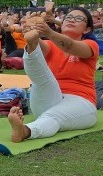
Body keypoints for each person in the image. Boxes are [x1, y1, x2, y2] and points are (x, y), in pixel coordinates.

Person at [8, 8, 99, 142]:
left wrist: (48, 32)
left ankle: (25, 131)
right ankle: (32, 43)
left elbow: (69, 46)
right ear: (61, 24)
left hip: (81, 101)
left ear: (87, 30)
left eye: (79, 18)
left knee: (54, 116)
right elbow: (42, 50)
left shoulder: (91, 45)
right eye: (68, 17)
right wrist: (31, 32)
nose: (72, 19)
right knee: (40, 78)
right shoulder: (50, 44)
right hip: (48, 97)